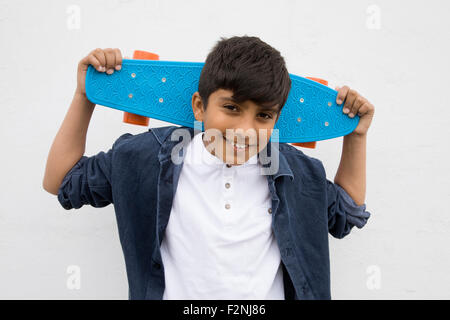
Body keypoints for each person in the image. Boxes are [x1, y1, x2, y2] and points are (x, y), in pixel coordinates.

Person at [43, 35, 374, 300]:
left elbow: (346, 213)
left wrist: (356, 137)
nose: (245, 130)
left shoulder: (296, 170)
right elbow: (61, 181)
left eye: (263, 116)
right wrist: (85, 95)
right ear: (199, 106)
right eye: (231, 108)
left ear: (276, 119)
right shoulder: (146, 157)